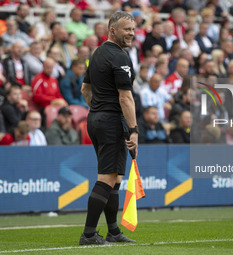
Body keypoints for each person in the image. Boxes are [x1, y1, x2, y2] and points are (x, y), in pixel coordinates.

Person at [79, 11, 138, 245]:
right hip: (112, 121)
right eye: (127, 29)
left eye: (133, 29)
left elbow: (85, 90)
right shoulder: (119, 57)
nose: (131, 33)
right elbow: (126, 98)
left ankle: (113, 231)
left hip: (96, 119)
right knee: (106, 177)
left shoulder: (97, 54)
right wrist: (134, 129)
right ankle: (89, 234)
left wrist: (98, 109)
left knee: (115, 179)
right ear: (112, 30)